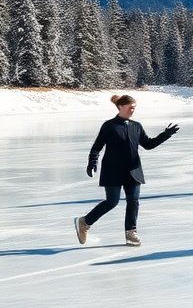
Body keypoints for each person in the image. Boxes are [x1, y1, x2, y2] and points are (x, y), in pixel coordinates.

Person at [76, 94, 179, 247]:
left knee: (133, 201)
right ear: (121, 107)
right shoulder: (109, 126)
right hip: (113, 170)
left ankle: (131, 232)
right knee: (112, 201)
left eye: (134, 108)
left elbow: (148, 144)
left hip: (133, 170)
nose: (133, 110)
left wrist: (165, 135)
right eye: (131, 107)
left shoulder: (136, 126)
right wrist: (92, 161)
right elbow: (97, 146)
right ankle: (85, 222)